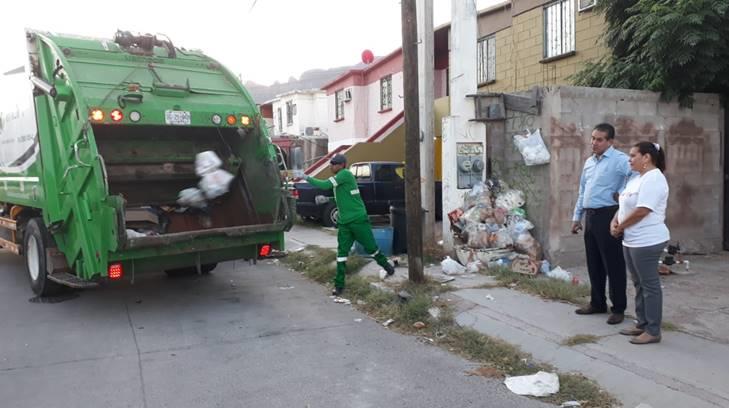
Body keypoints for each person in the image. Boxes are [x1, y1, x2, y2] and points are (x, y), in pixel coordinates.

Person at [304, 154, 395, 295]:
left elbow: (324, 184)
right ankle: (339, 285)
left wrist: (306, 177)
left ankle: (386, 266)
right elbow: (344, 196)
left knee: (371, 248)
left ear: (342, 165)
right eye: (331, 163)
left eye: (334, 164)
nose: (331, 166)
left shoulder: (344, 174)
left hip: (358, 220)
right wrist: (327, 199)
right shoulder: (342, 179)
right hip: (345, 222)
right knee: (341, 253)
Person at [571, 123, 632, 324]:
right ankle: (597, 302)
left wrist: (623, 193)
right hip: (591, 216)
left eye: (599, 139)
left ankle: (618, 308)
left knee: (613, 263)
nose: (594, 143)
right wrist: (576, 217)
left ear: (610, 141)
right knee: (594, 262)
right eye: (593, 138)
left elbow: (638, 176)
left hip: (609, 215)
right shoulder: (589, 162)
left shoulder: (620, 160)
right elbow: (582, 191)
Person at [610, 142, 669, 345]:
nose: (630, 159)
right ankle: (642, 323)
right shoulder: (637, 178)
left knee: (650, 285)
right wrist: (615, 220)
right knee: (638, 283)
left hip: (647, 240)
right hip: (631, 240)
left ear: (647, 157)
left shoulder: (654, 178)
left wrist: (621, 227)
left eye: (634, 155)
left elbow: (643, 210)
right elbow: (625, 204)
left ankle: (653, 330)